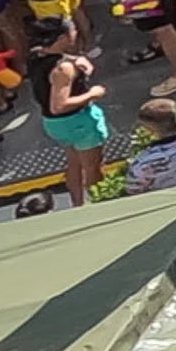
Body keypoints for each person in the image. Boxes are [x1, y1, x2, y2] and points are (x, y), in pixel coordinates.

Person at [28, 14, 107, 207]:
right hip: (78, 122)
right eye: (73, 31)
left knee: (74, 164)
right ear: (62, 37)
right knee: (92, 168)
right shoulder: (63, 69)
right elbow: (59, 106)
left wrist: (76, 59)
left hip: (55, 126)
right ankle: (101, 205)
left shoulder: (36, 55)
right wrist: (93, 94)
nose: (76, 33)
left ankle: (77, 204)